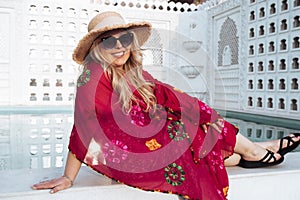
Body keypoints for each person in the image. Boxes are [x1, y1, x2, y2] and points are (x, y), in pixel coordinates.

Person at [32, 11, 300, 200]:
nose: (118, 46)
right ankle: (257, 150)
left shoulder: (133, 72)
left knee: (194, 121)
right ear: (97, 47)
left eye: (124, 39)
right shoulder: (92, 75)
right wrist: (68, 177)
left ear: (131, 42)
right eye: (108, 40)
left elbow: (167, 95)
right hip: (126, 152)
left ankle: (255, 151)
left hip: (146, 139)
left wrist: (202, 111)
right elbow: (83, 125)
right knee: (185, 130)